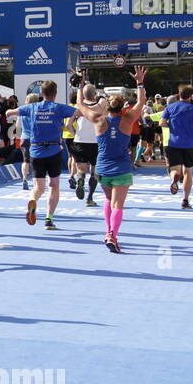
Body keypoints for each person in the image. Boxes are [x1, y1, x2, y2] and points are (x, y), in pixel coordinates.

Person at [71, 67, 148, 252]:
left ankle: (108, 231)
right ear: (122, 106)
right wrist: (140, 83)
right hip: (121, 167)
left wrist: (81, 84)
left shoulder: (98, 119)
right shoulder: (128, 118)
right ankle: (112, 234)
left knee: (108, 201)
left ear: (107, 106)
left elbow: (80, 105)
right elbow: (141, 101)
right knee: (118, 205)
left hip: (103, 168)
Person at [8, 80, 78, 231]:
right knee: (54, 186)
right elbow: (78, 111)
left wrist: (15, 112)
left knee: (39, 187)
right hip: (53, 150)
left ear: (42, 93)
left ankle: (33, 200)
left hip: (36, 151)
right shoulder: (58, 107)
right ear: (55, 93)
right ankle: (49, 218)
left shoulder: (32, 107)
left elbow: (10, 113)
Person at [162, 84, 193, 208]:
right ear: (191, 96)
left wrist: (172, 127)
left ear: (179, 95)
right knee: (188, 173)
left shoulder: (170, 108)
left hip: (173, 142)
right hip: (190, 143)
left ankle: (174, 177)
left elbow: (162, 122)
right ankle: (185, 200)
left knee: (174, 169)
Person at [71, 82, 102, 208]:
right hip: (95, 142)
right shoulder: (99, 107)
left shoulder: (78, 108)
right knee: (94, 171)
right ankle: (90, 197)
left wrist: (76, 134)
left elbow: (68, 125)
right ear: (94, 95)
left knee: (81, 168)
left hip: (79, 141)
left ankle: (80, 180)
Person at [17, 92, 41, 190]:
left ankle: (24, 180)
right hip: (35, 138)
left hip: (24, 137)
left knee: (25, 160)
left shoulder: (21, 111)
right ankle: (36, 180)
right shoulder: (37, 111)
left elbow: (18, 126)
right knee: (36, 160)